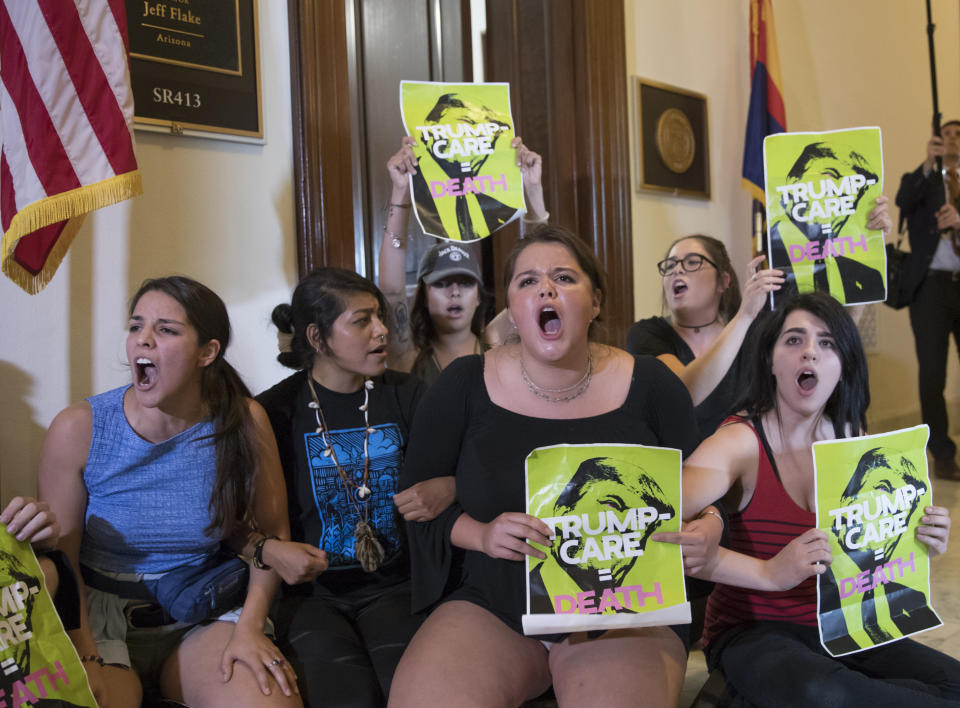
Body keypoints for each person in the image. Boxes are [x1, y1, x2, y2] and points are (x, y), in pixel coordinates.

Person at [390, 226, 721, 707]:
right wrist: (482, 535)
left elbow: (704, 489)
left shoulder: (652, 384)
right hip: (496, 598)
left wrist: (710, 525)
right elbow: (418, 508)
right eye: (527, 281)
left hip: (624, 605)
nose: (545, 288)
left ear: (596, 302)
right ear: (510, 308)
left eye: (564, 277)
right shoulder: (461, 384)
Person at [681, 292, 960, 705]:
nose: (810, 351)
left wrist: (922, 540)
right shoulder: (740, 441)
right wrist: (766, 570)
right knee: (827, 692)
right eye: (794, 340)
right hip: (755, 632)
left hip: (843, 626)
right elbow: (656, 515)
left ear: (843, 364)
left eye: (827, 343)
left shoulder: (853, 439)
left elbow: (869, 560)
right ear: (770, 361)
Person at [37, 277, 300, 708]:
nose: (143, 339)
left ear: (207, 352)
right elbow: (62, 562)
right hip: (99, 624)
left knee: (270, 701)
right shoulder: (80, 428)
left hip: (202, 612)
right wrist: (83, 652)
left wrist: (251, 627)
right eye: (136, 326)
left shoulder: (244, 421)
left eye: (165, 330)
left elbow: (271, 541)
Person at [254, 268, 455, 708]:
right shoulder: (273, 411)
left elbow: (468, 466)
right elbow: (239, 521)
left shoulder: (407, 394)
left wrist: (449, 486)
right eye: (362, 320)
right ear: (318, 337)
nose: (381, 330)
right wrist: (270, 549)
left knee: (416, 691)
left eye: (379, 317)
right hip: (310, 597)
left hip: (397, 587)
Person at [379, 136, 548, 386]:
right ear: (424, 295)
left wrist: (533, 189)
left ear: (479, 295)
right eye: (441, 283)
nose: (455, 292)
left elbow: (540, 279)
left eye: (466, 283)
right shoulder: (407, 355)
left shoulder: (496, 341)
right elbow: (391, 291)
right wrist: (401, 191)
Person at [627, 235, 782, 438]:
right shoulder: (647, 333)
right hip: (678, 462)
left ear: (723, 281)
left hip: (744, 459)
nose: (677, 270)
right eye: (670, 265)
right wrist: (744, 316)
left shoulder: (757, 332)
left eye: (692, 262)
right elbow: (682, 393)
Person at [896, 120, 960, 480]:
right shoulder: (921, 179)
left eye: (957, 135)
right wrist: (926, 164)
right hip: (930, 289)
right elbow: (902, 201)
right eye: (945, 134)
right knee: (932, 373)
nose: (951, 139)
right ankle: (943, 453)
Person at [770, 142, 887, 305]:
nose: (840, 191)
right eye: (830, 175)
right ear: (792, 182)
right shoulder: (763, 260)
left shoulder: (866, 277)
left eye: (855, 186)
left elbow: (845, 330)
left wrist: (875, 238)